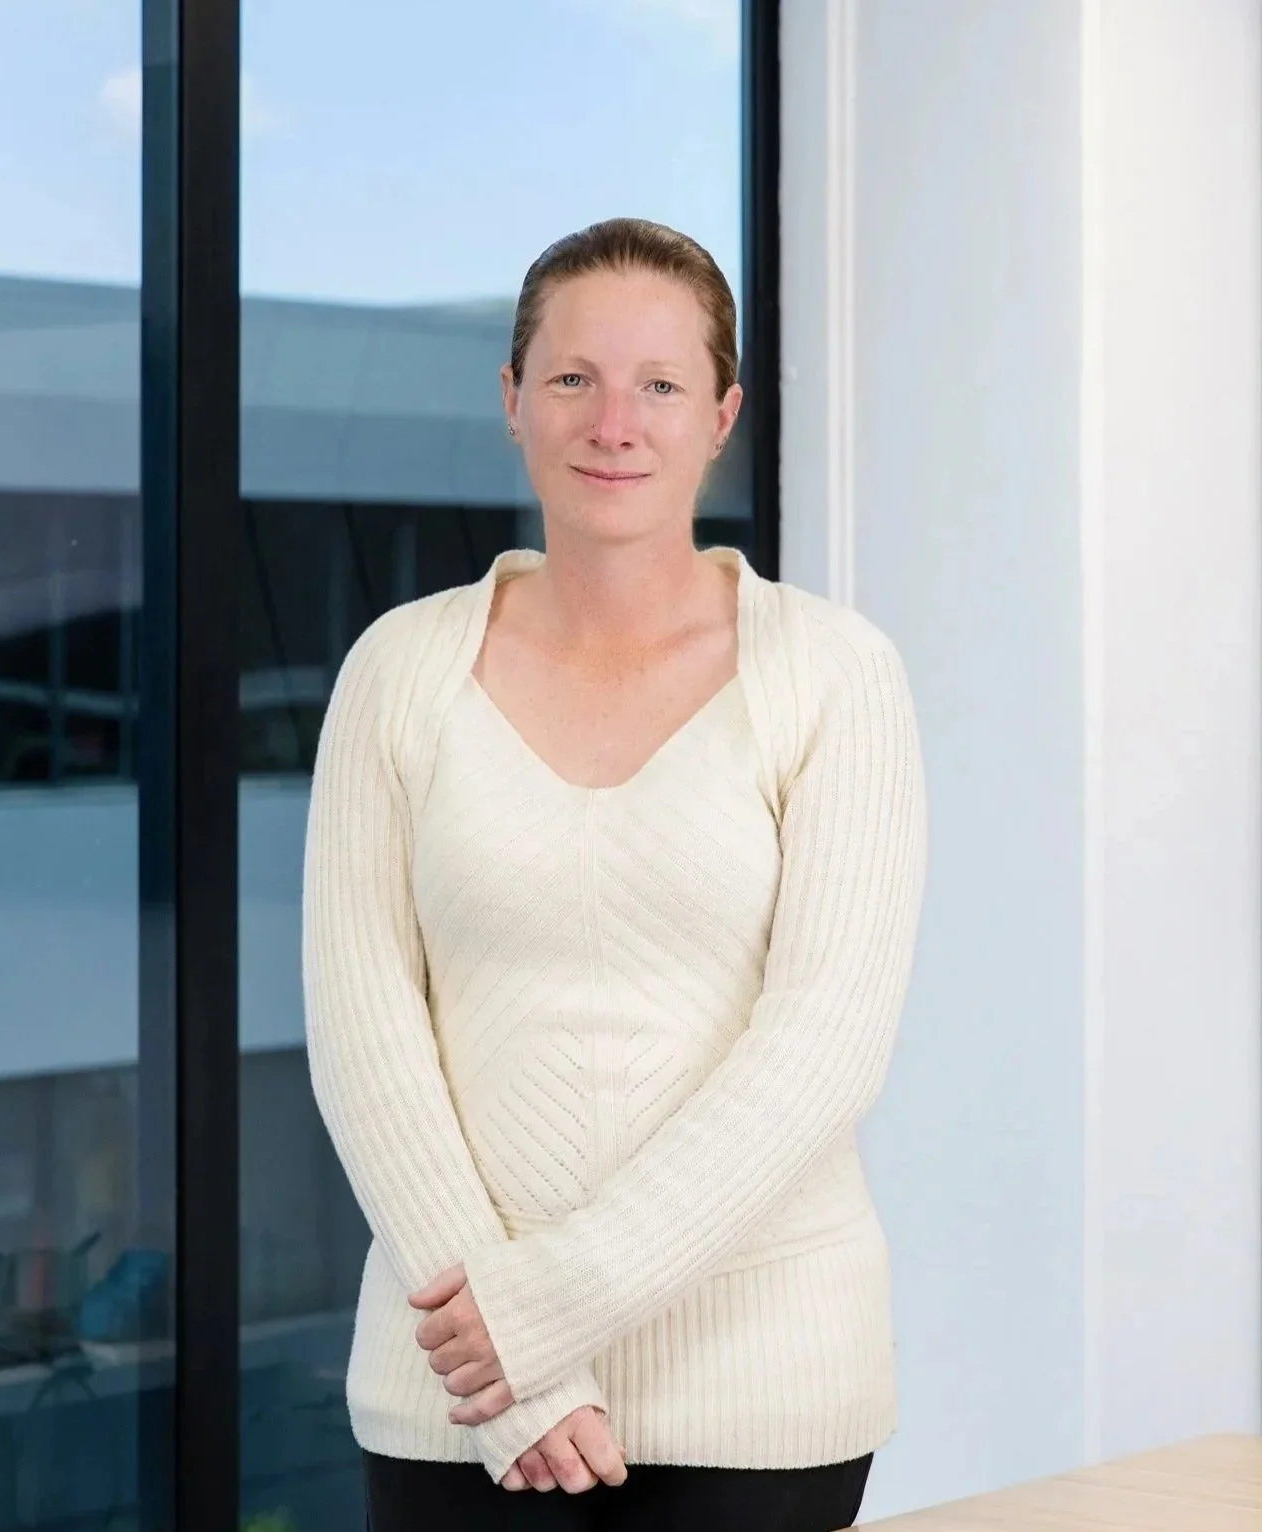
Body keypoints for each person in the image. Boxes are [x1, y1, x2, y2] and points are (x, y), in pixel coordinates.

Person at [301, 216, 928, 1532]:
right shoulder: (398, 671)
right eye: (575, 378)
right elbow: (368, 1038)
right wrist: (514, 1372)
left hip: (761, 1384)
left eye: (661, 384)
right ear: (513, 401)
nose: (614, 422)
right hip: (459, 1391)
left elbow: (823, 1045)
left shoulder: (832, 673)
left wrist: (549, 1306)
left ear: (722, 416)